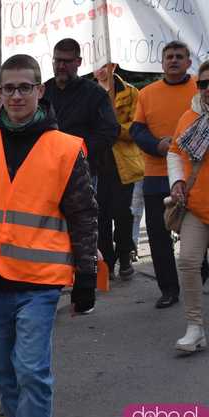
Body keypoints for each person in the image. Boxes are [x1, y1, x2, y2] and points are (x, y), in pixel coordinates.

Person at [0, 54, 98, 417]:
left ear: (39, 91)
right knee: (3, 375)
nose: (15, 96)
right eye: (8, 88)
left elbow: (83, 213)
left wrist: (87, 276)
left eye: (24, 87)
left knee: (31, 373)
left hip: (39, 283)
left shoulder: (65, 147)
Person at [130, 40, 197, 308]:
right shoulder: (146, 93)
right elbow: (137, 130)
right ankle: (168, 289)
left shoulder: (200, 88)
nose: (173, 60)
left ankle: (199, 271)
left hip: (194, 176)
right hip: (156, 175)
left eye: (179, 56)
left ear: (188, 62)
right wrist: (157, 146)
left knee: (198, 230)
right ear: (162, 62)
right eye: (169, 56)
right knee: (158, 236)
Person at [168, 59, 209, 352]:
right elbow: (173, 152)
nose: (207, 89)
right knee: (188, 263)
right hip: (196, 206)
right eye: (203, 84)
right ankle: (195, 328)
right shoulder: (189, 116)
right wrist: (176, 182)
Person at [42, 38, 119, 185]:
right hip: (46, 170)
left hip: (82, 173)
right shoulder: (42, 92)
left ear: (78, 61)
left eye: (67, 61)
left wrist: (78, 150)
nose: (61, 66)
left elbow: (110, 131)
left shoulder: (95, 94)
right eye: (57, 61)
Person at [93, 63, 144, 280]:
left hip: (123, 163)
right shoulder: (89, 93)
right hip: (98, 163)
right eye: (96, 66)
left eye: (103, 65)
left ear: (112, 65)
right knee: (100, 216)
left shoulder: (130, 92)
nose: (99, 70)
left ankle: (124, 255)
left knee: (122, 212)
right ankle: (107, 261)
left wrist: (114, 129)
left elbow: (137, 127)